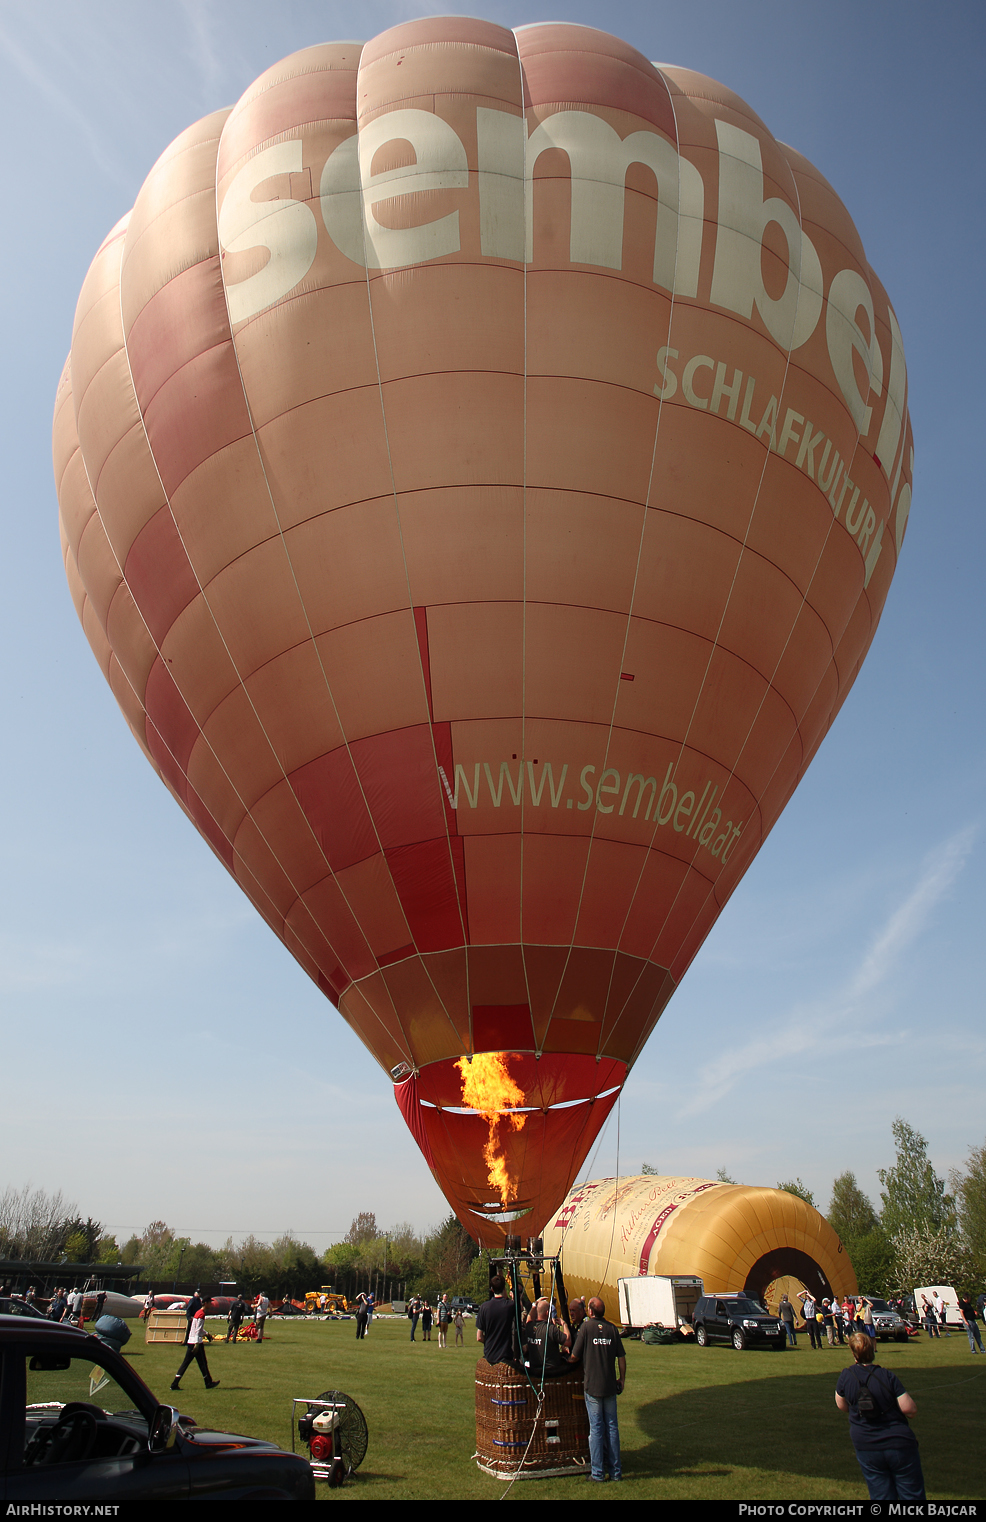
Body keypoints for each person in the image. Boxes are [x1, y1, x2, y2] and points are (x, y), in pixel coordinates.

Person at [834, 1332, 924, 1500]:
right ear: (872, 1350)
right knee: (911, 1494)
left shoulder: (846, 1376)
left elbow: (841, 1405)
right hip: (897, 1441)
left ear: (854, 1354)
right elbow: (909, 1409)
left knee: (881, 1495)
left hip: (866, 1443)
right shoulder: (887, 1376)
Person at [570, 1297, 625, 1483]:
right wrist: (622, 1379)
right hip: (610, 1386)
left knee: (596, 1429)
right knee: (612, 1428)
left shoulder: (586, 1328)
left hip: (593, 1387)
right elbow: (622, 1357)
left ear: (591, 1312)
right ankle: (616, 1472)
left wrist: (567, 1360)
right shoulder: (612, 1329)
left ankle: (598, 1473)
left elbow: (575, 1355)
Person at [171, 1297, 220, 1391]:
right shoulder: (201, 1314)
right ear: (205, 1303)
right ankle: (208, 1383)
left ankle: (175, 1383)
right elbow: (198, 1330)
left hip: (191, 1341)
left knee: (188, 1363)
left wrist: (206, 1334)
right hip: (196, 1342)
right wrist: (197, 1344)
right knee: (202, 1363)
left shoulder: (198, 1313)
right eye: (210, 1302)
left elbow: (197, 1329)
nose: (211, 1304)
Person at [522, 1297, 571, 1377]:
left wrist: (534, 1305)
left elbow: (529, 1319)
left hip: (534, 1373)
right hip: (551, 1373)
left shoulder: (530, 1327)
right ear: (547, 1313)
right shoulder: (550, 1329)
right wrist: (564, 1324)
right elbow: (568, 1341)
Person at [476, 1275, 518, 1367]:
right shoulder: (509, 1306)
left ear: (492, 1290)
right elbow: (520, 1308)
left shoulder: (484, 1307)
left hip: (489, 1356)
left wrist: (489, 1342)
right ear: (504, 1288)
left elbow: (479, 1337)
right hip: (505, 1357)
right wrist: (513, 1296)